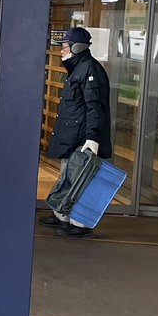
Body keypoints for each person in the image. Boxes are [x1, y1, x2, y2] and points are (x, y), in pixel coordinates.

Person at [41, 26, 112, 238]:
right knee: (68, 177)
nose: (62, 50)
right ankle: (62, 215)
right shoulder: (79, 68)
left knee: (81, 180)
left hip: (81, 137)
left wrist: (93, 137)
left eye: (65, 46)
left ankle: (80, 224)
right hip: (72, 135)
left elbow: (95, 106)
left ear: (77, 47)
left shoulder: (90, 70)